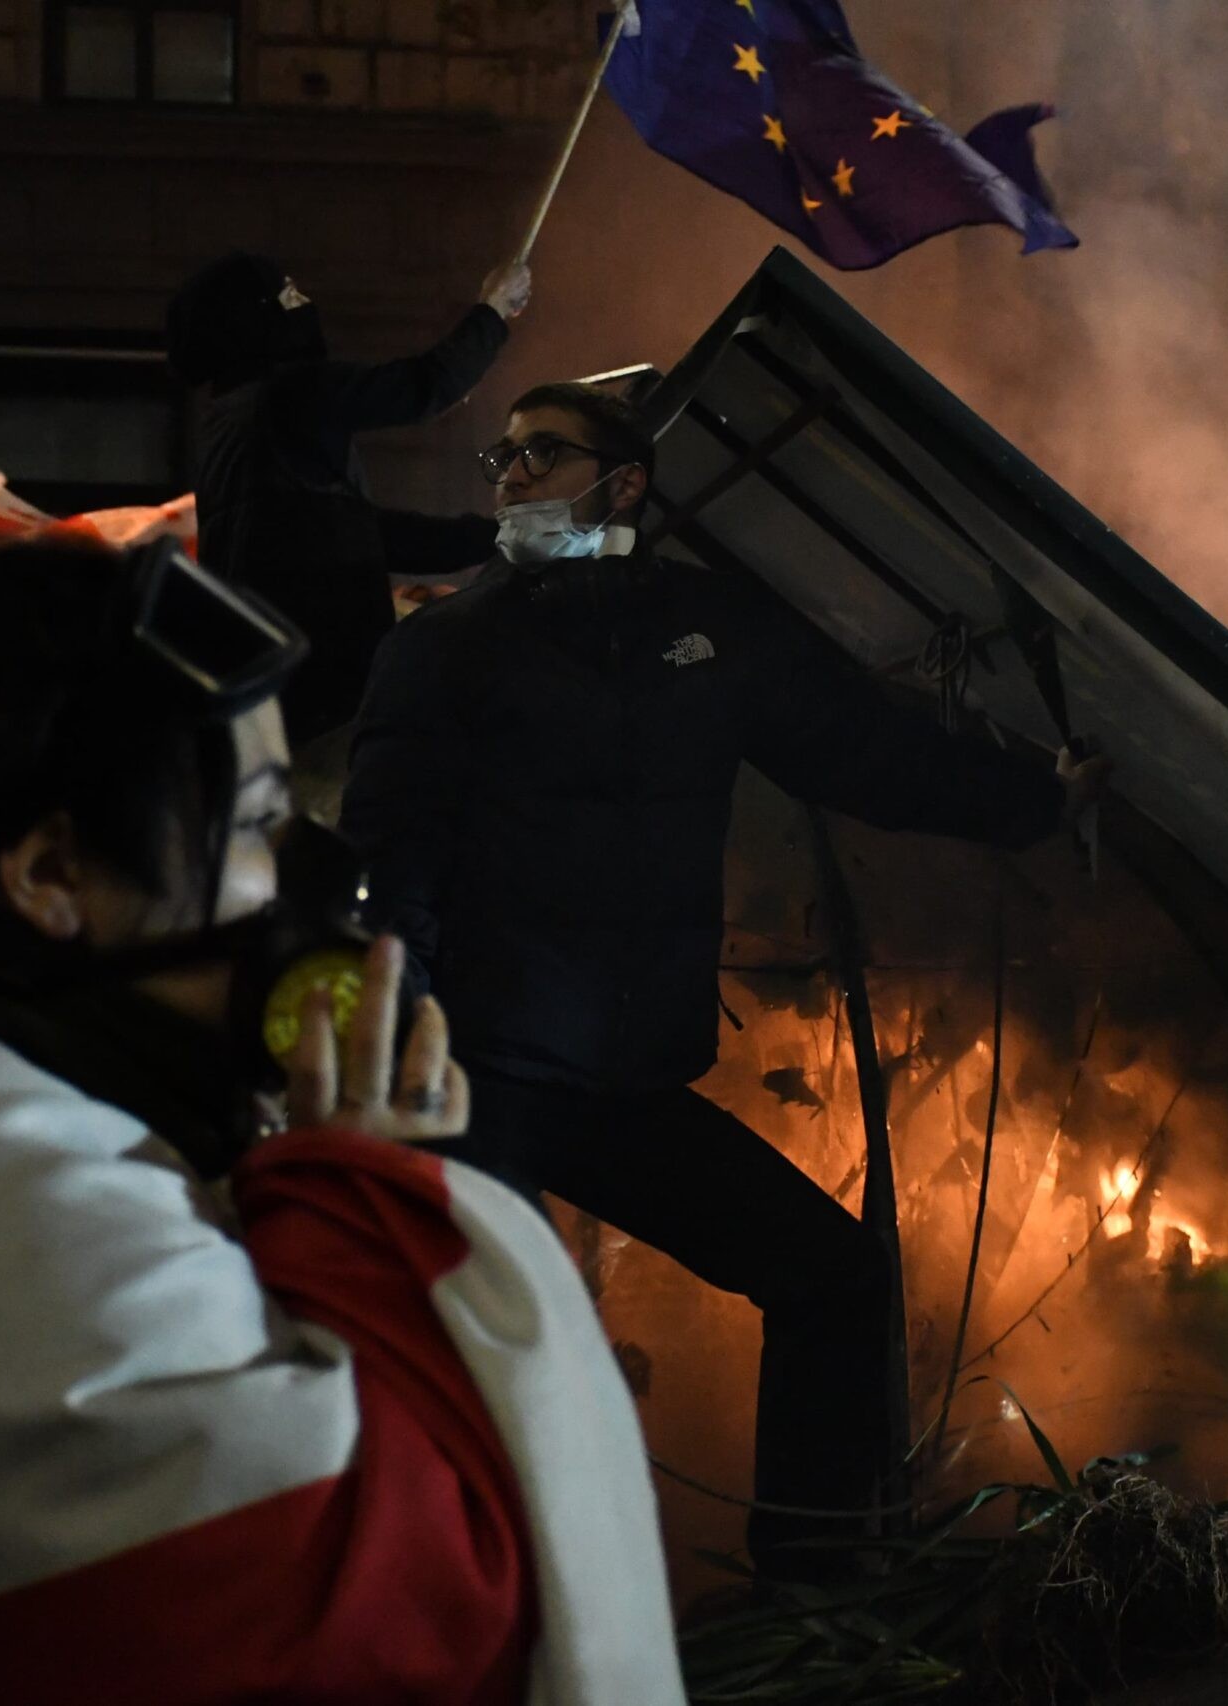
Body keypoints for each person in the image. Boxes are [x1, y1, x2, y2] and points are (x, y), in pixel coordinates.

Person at [0, 540, 683, 1705]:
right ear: (51, 873)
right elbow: (428, 1614)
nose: (302, 885)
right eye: (253, 827)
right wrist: (372, 1205)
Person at [341, 382, 1111, 1573]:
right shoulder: (447, 642)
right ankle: (463, 1613)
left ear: (626, 482)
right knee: (495, 1340)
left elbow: (865, 750)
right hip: (478, 1065)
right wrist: (397, 1046)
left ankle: (811, 1590)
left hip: (621, 1079)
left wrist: (1030, 802)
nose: (509, 474)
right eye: (502, 455)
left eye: (541, 453)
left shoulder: (714, 631)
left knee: (833, 1275)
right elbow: (395, 849)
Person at [166, 249, 534, 774]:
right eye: (288, 293)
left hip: (272, 681)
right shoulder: (288, 395)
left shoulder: (230, 426)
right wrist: (493, 310)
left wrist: (490, 538)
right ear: (256, 319)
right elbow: (421, 387)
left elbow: (351, 532)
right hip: (324, 679)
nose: (304, 301)